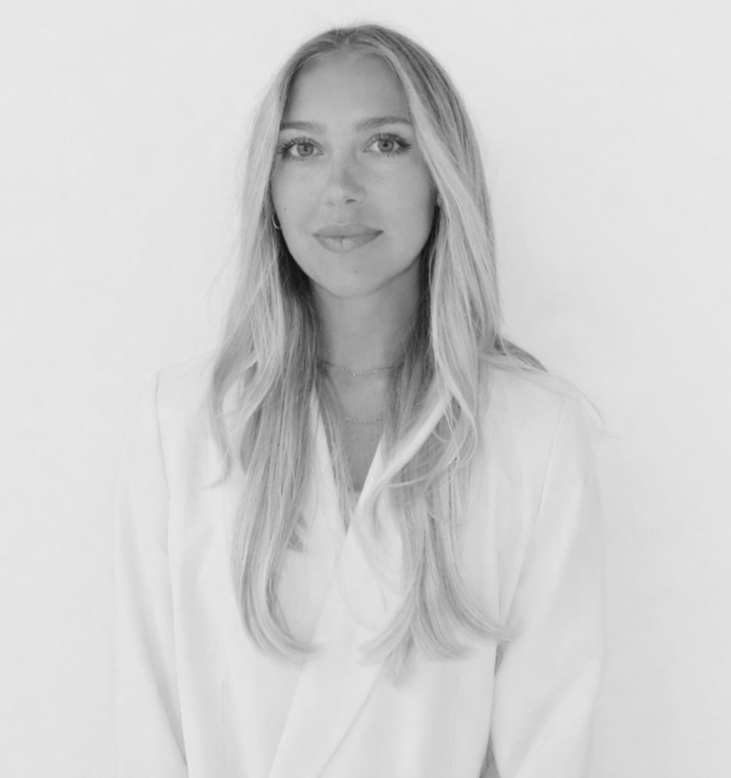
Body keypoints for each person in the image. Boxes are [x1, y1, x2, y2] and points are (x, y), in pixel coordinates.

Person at [114, 23, 604, 778]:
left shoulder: (533, 433)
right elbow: (147, 736)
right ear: (269, 189)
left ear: (442, 175)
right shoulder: (185, 425)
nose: (340, 187)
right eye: (302, 148)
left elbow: (550, 748)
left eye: (385, 143)